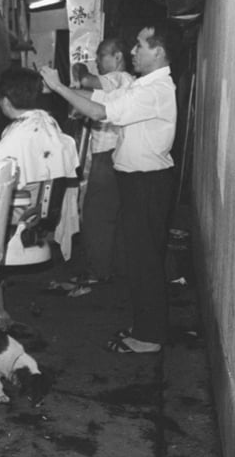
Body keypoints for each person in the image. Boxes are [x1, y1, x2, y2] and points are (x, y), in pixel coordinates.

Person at [41, 25, 178, 354]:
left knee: (144, 261)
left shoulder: (154, 90)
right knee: (140, 258)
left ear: (157, 52)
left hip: (147, 182)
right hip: (139, 181)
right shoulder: (145, 85)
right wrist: (71, 91)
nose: (133, 52)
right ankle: (147, 326)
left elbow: (101, 112)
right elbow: (102, 98)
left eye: (139, 46)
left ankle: (149, 337)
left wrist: (58, 87)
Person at [69, 38, 136, 296]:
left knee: (96, 214)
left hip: (108, 155)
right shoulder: (118, 82)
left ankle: (99, 271)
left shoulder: (119, 77)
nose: (98, 64)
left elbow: (88, 81)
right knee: (108, 214)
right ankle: (109, 267)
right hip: (107, 154)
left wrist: (80, 70)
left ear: (117, 56)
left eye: (102, 58)